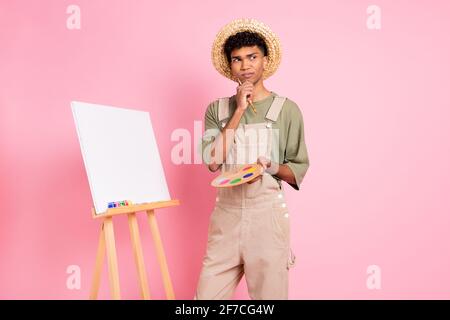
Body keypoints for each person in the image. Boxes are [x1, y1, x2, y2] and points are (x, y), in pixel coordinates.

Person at [195, 18, 310, 300]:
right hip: (226, 217)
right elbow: (212, 161)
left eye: (252, 57)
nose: (245, 66)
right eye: (237, 60)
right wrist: (238, 111)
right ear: (230, 66)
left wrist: (270, 166)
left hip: (267, 218)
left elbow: (296, 171)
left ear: (264, 60)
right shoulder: (218, 109)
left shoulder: (287, 110)